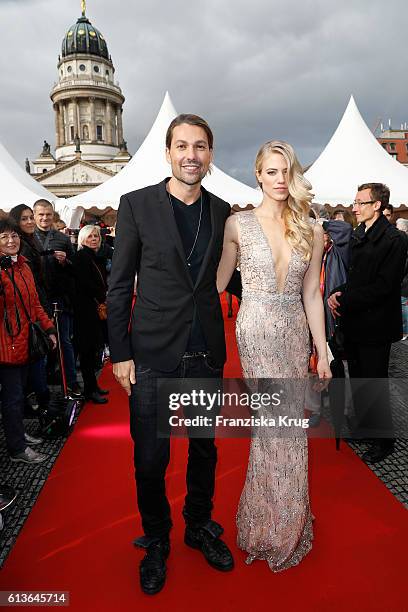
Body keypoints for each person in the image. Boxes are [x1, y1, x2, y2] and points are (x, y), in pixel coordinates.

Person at [108, 114, 238, 595]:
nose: (191, 155)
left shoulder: (223, 211)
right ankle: (157, 538)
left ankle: (198, 524)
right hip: (153, 355)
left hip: (204, 351)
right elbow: (119, 284)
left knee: (204, 449)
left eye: (200, 146)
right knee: (150, 457)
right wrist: (120, 352)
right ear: (167, 152)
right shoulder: (136, 205)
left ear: (210, 153)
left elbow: (233, 277)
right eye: (182, 145)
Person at [217, 140, 331, 571]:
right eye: (271, 171)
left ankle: (280, 522)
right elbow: (218, 282)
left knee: (287, 428)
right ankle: (272, 524)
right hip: (256, 331)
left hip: (293, 333)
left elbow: (312, 294)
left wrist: (322, 349)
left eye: (286, 171)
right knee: (275, 427)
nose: (280, 179)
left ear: (293, 174)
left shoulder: (311, 227)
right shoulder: (236, 225)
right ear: (258, 174)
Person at [328, 183, 408, 463]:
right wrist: (340, 293)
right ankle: (364, 428)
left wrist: (345, 299)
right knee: (361, 379)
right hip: (356, 322)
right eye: (355, 202)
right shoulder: (360, 234)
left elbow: (385, 286)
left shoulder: (394, 240)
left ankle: (384, 441)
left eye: (361, 203)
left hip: (376, 325)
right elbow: (357, 277)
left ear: (377, 205)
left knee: (375, 382)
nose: (354, 207)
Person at [0, 218, 56, 463]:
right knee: (12, 399)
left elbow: (34, 304)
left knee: (20, 394)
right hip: (5, 346)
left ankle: (18, 435)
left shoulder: (23, 265)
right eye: (4, 237)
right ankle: (17, 449)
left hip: (26, 342)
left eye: (14, 236)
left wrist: (49, 328)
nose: (11, 241)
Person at [32, 199, 81, 397]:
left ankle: (71, 382)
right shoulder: (27, 238)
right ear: (35, 215)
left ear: (53, 215)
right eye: (41, 214)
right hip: (36, 300)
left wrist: (65, 262)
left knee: (64, 342)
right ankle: (39, 388)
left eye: (48, 214)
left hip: (60, 299)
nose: (44, 218)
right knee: (39, 344)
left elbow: (74, 269)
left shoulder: (62, 238)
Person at [9, 204, 52, 413]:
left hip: (36, 308)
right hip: (25, 318)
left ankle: (37, 401)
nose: (29, 222)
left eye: (30, 218)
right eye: (24, 219)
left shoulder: (31, 242)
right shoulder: (20, 247)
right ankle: (39, 402)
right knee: (33, 365)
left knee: (35, 363)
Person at [72, 225, 109, 403]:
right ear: (82, 239)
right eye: (90, 236)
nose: (94, 239)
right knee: (87, 352)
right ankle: (90, 390)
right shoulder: (81, 257)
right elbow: (86, 284)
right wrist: (103, 295)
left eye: (96, 236)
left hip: (92, 309)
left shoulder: (94, 256)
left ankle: (93, 386)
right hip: (84, 311)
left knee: (93, 350)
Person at [396, 217, 408, 339]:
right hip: (402, 286)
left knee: (403, 308)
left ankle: (404, 332)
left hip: (404, 287)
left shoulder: (403, 242)